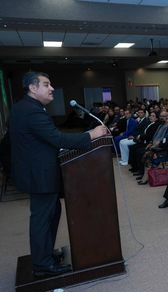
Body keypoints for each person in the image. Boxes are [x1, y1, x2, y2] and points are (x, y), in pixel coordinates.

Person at [9, 72, 108, 276]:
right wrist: (92, 134)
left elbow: (45, 139)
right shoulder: (31, 111)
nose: (52, 88)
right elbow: (57, 138)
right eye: (46, 84)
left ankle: (44, 256)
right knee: (43, 219)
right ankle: (42, 265)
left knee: (51, 215)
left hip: (37, 171)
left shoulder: (27, 107)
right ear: (33, 88)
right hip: (39, 175)